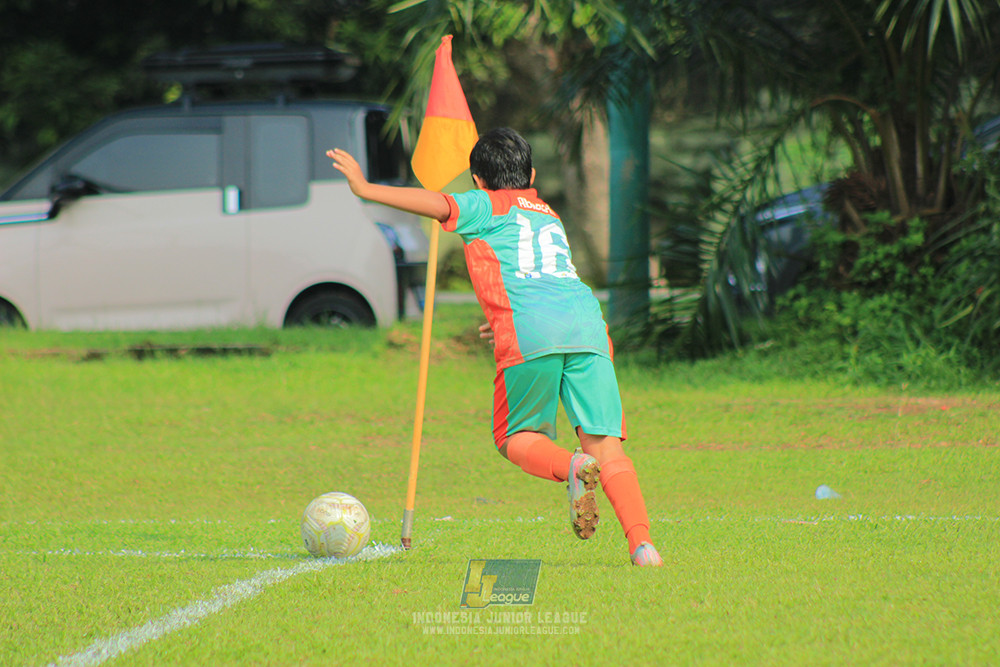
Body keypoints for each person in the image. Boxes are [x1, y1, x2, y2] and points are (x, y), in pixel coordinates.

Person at [327, 128, 662, 566]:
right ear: (533, 175)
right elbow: (539, 276)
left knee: (513, 436)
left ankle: (573, 468)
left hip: (530, 330)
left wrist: (365, 188)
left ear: (477, 179)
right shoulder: (547, 212)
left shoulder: (483, 203)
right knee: (608, 446)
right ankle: (643, 546)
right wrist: (500, 320)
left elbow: (439, 204)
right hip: (587, 325)